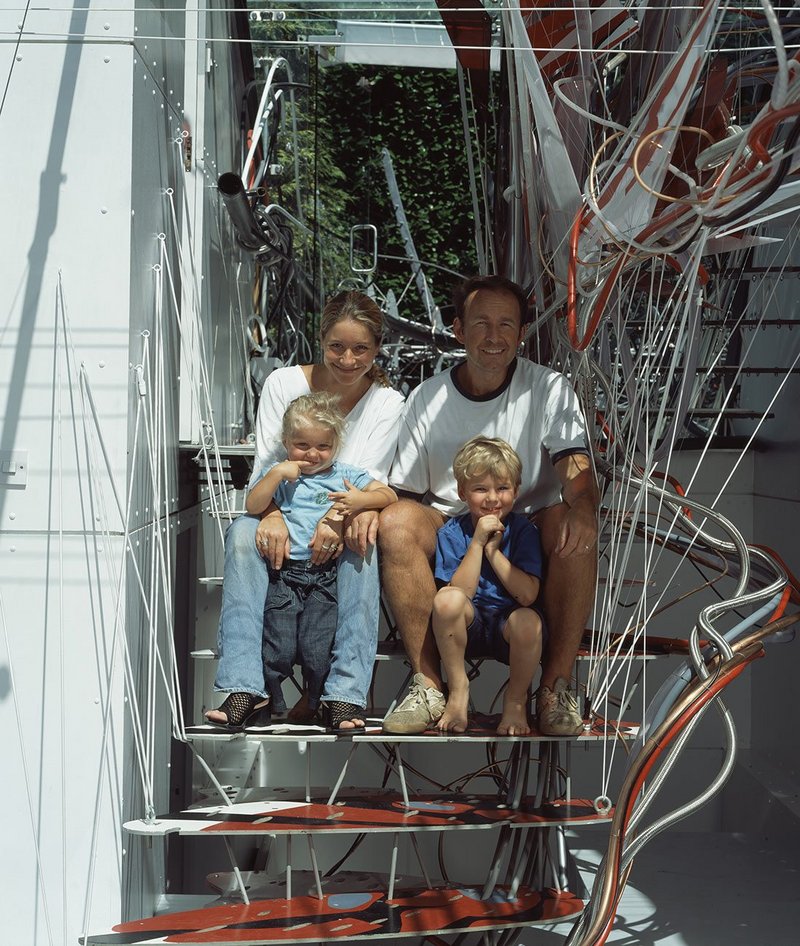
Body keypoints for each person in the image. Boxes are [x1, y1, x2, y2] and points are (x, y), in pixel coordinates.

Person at [380, 274, 597, 736]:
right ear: (458, 330)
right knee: (395, 521)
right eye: (481, 323)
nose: (494, 337)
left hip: (527, 521)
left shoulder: (550, 388)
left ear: (521, 333)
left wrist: (585, 509)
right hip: (449, 517)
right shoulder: (428, 396)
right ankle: (428, 684)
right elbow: (407, 493)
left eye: (506, 325)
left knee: (572, 523)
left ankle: (556, 687)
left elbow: (575, 470)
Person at [206, 290, 405, 731]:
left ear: (376, 349)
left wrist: (338, 519)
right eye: (337, 346)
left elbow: (370, 481)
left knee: (363, 540)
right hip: (282, 506)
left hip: (347, 511)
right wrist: (272, 514)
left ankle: (345, 695)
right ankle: (244, 687)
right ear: (321, 339)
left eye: (361, 349)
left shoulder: (387, 402)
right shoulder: (283, 383)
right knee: (242, 534)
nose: (348, 359)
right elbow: (267, 464)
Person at [246, 392, 397, 717]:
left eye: (323, 447)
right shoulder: (280, 475)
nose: (313, 455)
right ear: (286, 441)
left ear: (336, 445)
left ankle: (317, 701)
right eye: (302, 445)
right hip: (284, 576)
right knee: (278, 647)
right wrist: (274, 476)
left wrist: (359, 502)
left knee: (317, 649)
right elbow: (253, 506)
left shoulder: (344, 475)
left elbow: (388, 495)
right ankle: (271, 701)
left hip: (324, 579)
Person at [433, 438, 543, 736]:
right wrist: (479, 543)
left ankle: (516, 702)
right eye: (481, 489)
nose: (493, 498)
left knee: (529, 620)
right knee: (446, 600)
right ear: (462, 493)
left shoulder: (524, 531)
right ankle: (458, 690)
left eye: (503, 489)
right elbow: (461, 592)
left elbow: (527, 594)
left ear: (516, 491)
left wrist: (495, 553)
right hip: (466, 627)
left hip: (509, 627)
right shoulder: (453, 532)